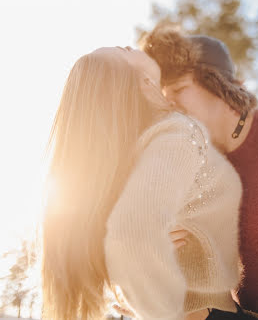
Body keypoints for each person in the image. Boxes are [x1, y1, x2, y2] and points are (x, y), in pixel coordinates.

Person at [42, 46, 243, 320]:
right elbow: (130, 235)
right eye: (121, 50)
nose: (127, 45)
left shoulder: (137, 150)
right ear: (137, 81)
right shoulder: (176, 131)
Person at [142, 29, 258, 320]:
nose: (170, 105)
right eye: (163, 99)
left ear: (220, 84)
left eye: (178, 89)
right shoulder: (194, 176)